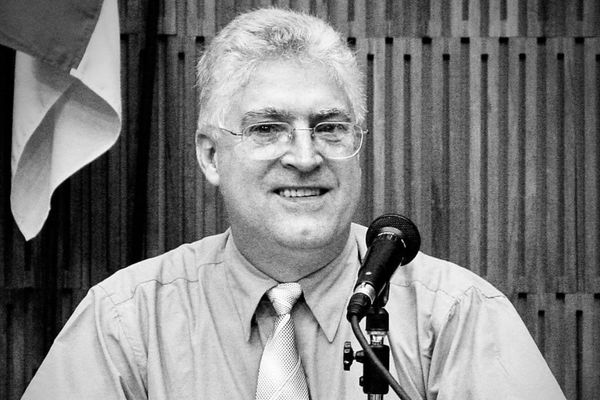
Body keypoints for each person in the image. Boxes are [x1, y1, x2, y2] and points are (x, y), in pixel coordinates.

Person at [22, 7, 566, 400]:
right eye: (267, 128)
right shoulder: (124, 321)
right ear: (210, 156)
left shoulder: (456, 315)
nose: (305, 157)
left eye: (330, 127)